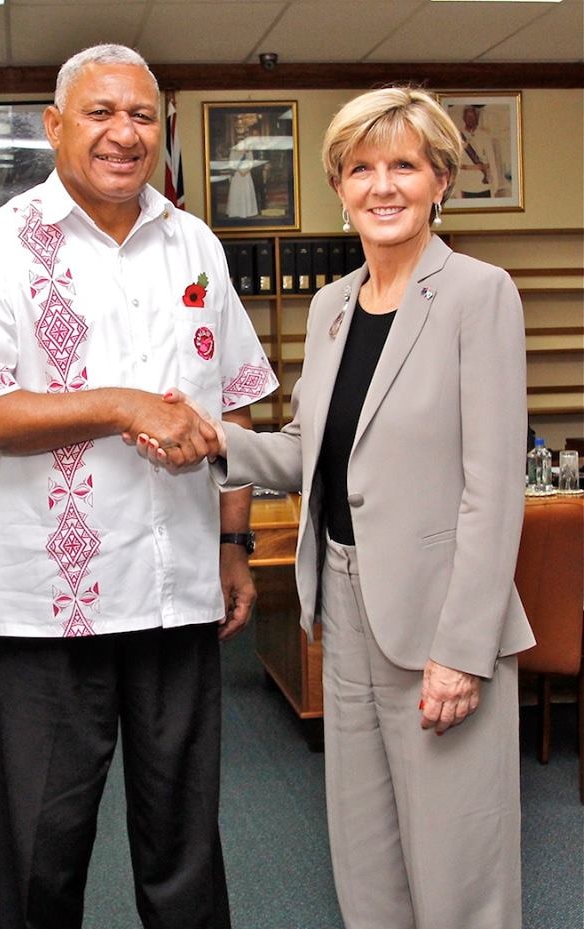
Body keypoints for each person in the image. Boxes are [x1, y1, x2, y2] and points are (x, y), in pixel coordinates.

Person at [142, 87, 536, 929]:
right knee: (366, 863)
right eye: (362, 168)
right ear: (339, 184)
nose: (382, 185)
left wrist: (461, 651)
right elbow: (311, 453)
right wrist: (212, 437)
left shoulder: (478, 293)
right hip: (344, 608)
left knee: (458, 871)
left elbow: (492, 489)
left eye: (404, 165)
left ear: (440, 180)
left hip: (437, 620)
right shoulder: (329, 308)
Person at [0, 43, 277, 929]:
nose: (124, 134)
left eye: (142, 116)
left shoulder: (193, 241)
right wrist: (123, 405)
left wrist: (233, 544)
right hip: (53, 609)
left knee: (185, 852)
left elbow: (234, 402)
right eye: (100, 113)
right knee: (46, 853)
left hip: (177, 597)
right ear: (54, 127)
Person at [455, 104, 502, 198]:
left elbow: (492, 161)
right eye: (468, 116)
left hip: (483, 185)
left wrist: (495, 184)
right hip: (466, 185)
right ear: (464, 118)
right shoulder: (457, 136)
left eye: (473, 116)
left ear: (476, 118)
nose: (470, 119)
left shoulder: (484, 136)